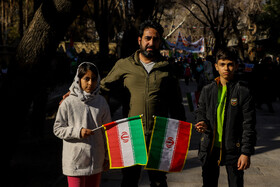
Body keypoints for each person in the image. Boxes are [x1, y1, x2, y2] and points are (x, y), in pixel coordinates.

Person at [100, 20, 186, 187]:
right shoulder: (124, 65)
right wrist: (76, 95)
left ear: (160, 41)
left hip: (159, 133)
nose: (151, 43)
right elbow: (102, 87)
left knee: (159, 181)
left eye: (155, 39)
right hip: (132, 135)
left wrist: (181, 133)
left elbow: (176, 103)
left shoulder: (167, 67)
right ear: (140, 40)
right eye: (147, 38)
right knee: (129, 180)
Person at [195, 48, 256, 187]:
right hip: (210, 148)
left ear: (235, 66)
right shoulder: (207, 90)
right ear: (216, 66)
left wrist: (246, 152)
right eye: (222, 64)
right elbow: (200, 111)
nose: (226, 68)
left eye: (229, 64)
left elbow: (249, 125)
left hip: (234, 149)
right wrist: (201, 122)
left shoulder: (243, 91)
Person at [54, 62, 111, 187]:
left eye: (94, 79)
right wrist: (78, 132)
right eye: (87, 79)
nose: (90, 83)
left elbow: (108, 131)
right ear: (78, 79)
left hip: (96, 161)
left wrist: (107, 157)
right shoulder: (68, 103)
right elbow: (58, 129)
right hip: (74, 162)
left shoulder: (101, 102)